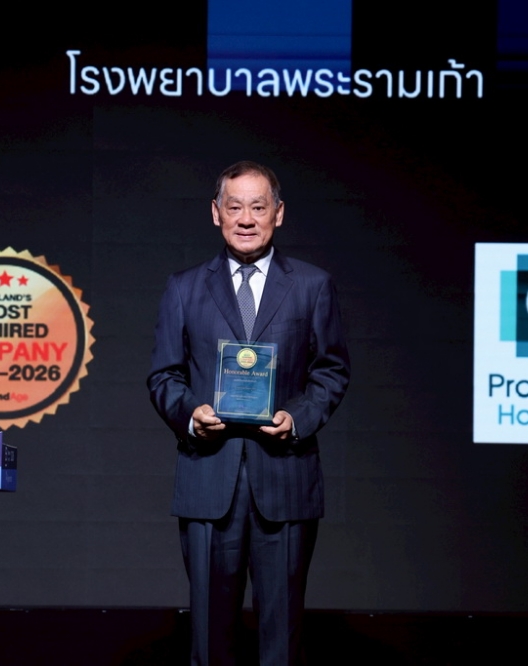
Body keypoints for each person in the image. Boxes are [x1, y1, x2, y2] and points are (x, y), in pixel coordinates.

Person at [147, 161, 350, 665]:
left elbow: (331, 371)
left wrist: (297, 418)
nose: (245, 218)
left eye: (258, 207)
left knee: (282, 635)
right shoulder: (184, 287)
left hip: (285, 477)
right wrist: (191, 414)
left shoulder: (312, 285)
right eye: (234, 206)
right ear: (215, 213)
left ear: (278, 213)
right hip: (208, 476)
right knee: (208, 634)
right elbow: (164, 376)